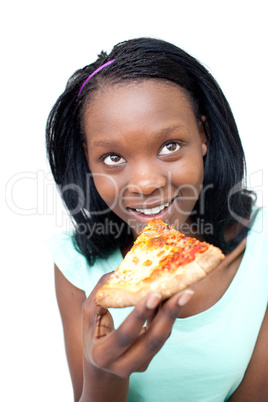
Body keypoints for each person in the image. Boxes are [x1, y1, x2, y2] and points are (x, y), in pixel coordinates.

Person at [45, 38, 268, 401]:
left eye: (170, 146)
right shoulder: (75, 265)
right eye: (113, 157)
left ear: (204, 136)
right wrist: (103, 375)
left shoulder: (262, 248)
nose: (146, 183)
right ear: (87, 159)